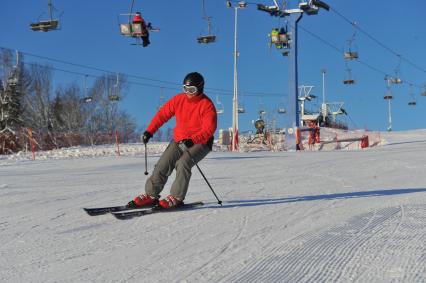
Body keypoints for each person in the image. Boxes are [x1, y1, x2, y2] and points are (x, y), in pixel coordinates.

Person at [130, 72, 217, 209]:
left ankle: (177, 197)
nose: (188, 93)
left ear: (200, 89)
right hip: (179, 140)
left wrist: (192, 140)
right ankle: (151, 195)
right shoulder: (179, 100)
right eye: (185, 89)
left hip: (201, 142)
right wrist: (149, 131)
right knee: (162, 165)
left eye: (192, 90)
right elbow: (162, 114)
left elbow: (209, 130)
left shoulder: (206, 105)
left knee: (183, 163)